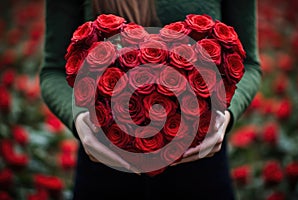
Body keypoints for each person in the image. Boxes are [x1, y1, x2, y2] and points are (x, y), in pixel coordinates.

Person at [40, 0, 261, 199]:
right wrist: (78, 120)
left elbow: (249, 65)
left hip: (200, 162)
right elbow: (53, 70)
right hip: (105, 162)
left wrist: (225, 115)